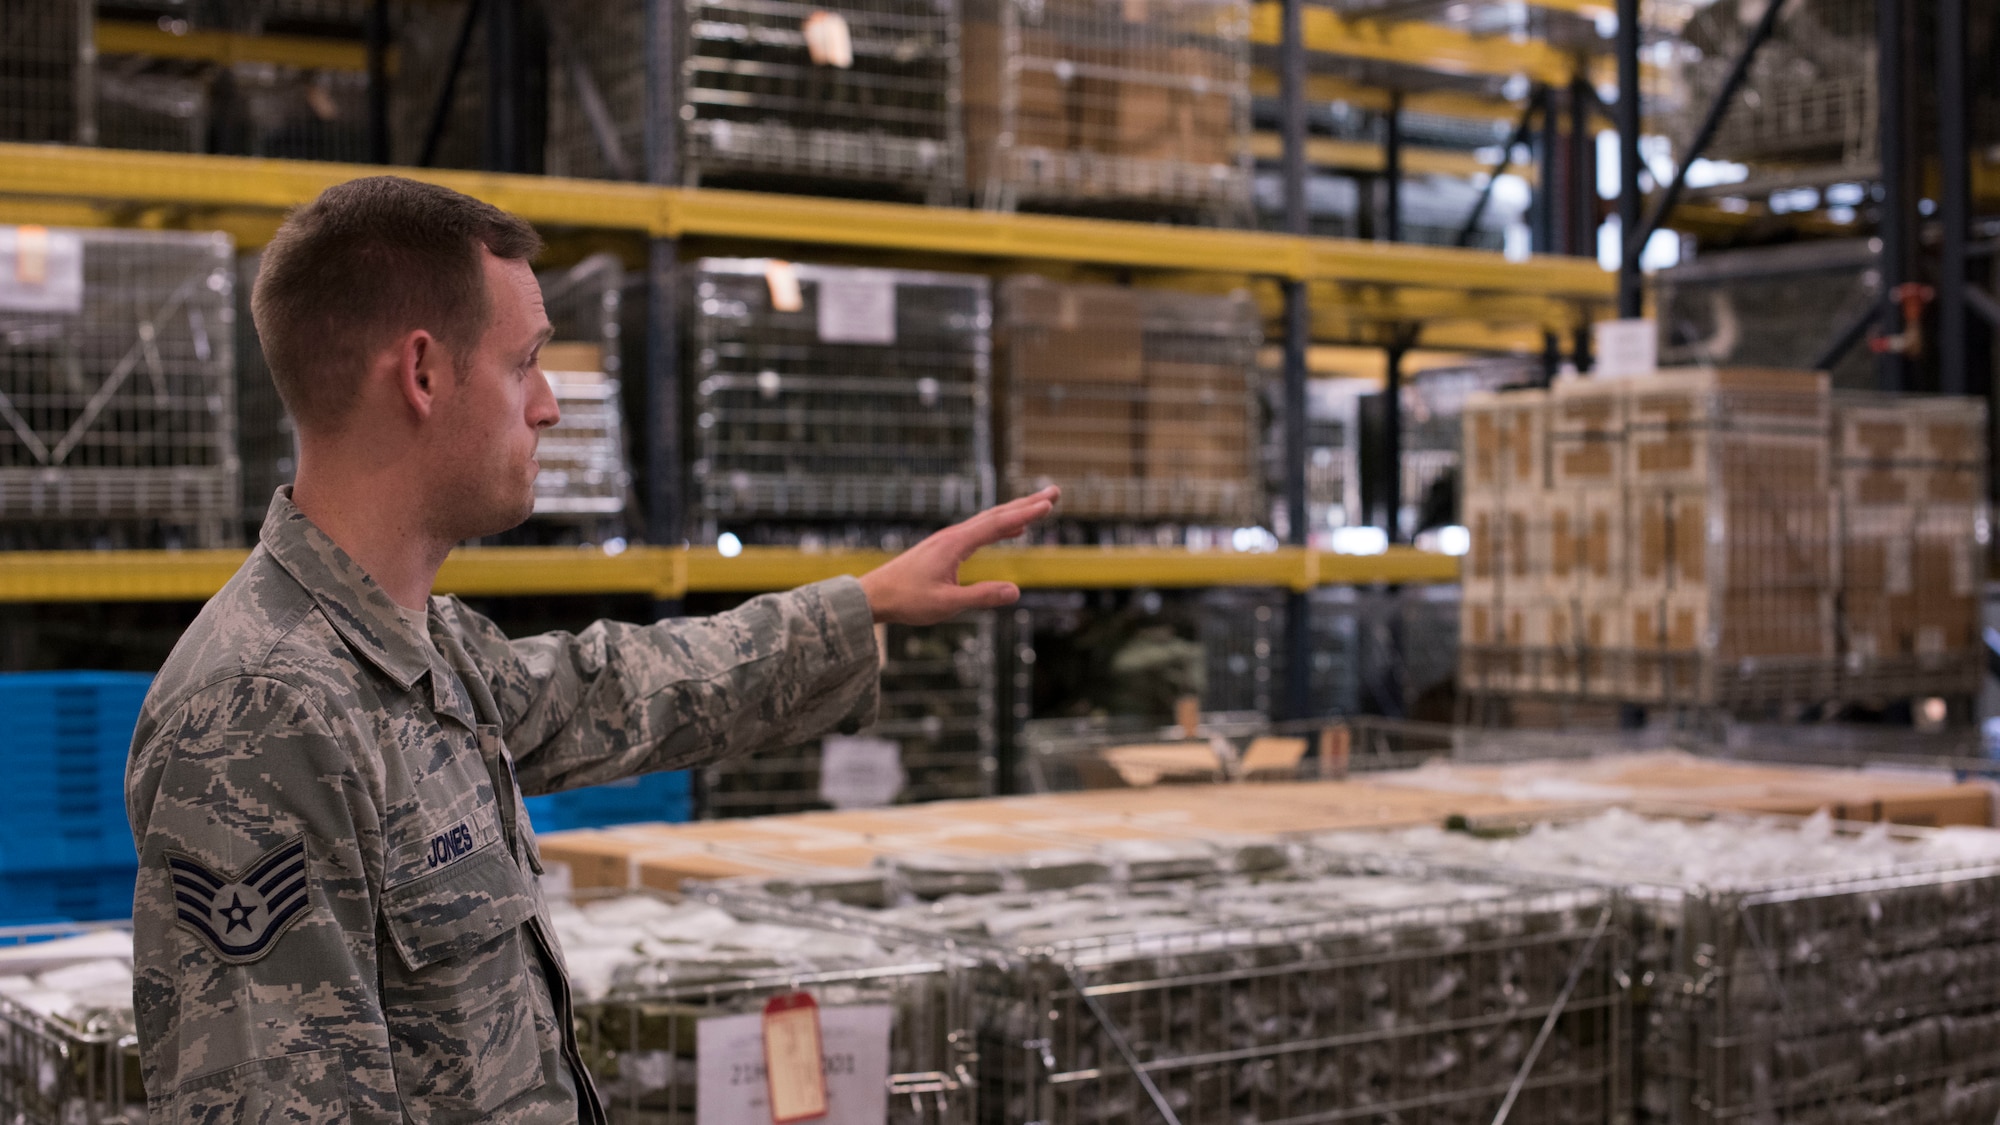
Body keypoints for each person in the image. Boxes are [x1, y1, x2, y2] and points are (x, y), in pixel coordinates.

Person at [125, 175, 1058, 1124]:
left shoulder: (420, 648)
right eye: (526, 362)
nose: (550, 406)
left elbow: (615, 689)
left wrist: (862, 607)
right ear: (422, 374)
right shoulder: (262, 715)